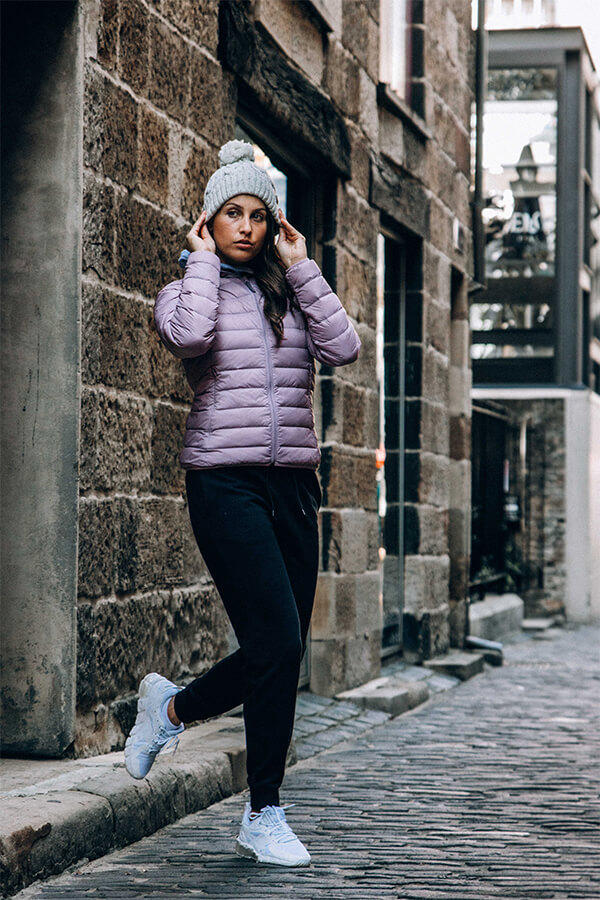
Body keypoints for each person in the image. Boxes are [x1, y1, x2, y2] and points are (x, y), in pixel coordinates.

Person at [124, 140, 360, 867]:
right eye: (233, 213)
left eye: (260, 215)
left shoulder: (290, 290)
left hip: (294, 485)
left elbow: (344, 348)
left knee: (277, 649)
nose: (248, 227)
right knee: (278, 642)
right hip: (223, 482)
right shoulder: (184, 290)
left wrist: (302, 267)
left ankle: (170, 709)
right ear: (209, 219)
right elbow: (189, 337)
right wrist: (199, 261)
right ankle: (264, 812)